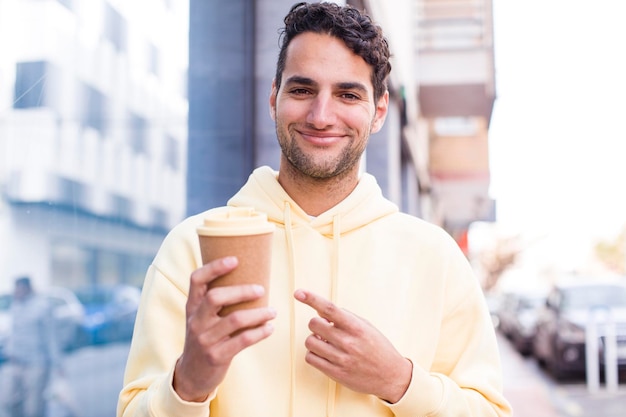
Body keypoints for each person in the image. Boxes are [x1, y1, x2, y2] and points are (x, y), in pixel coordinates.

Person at [117, 2, 512, 416]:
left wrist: (399, 381)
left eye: (347, 94)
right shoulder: (193, 248)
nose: (322, 116)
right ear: (274, 99)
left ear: (378, 112)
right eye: (303, 90)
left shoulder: (436, 257)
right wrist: (189, 385)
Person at [0, 277, 62, 417]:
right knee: (8, 401)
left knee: (33, 408)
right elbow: (13, 332)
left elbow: (51, 337)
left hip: (37, 364)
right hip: (16, 363)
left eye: (19, 288)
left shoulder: (42, 306)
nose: (15, 292)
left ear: (27, 288)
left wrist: (58, 364)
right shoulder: (15, 305)